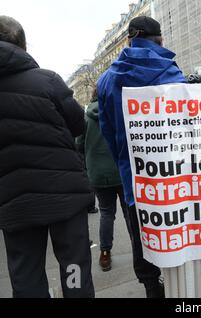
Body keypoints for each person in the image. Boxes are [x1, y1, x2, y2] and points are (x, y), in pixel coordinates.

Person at [0, 16, 95, 298]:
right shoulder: (47, 81)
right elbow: (79, 125)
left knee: (26, 276)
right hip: (64, 194)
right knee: (74, 269)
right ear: (22, 44)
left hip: (13, 200)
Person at [97, 16, 186, 298]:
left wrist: (125, 159)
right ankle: (179, 285)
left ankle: (151, 287)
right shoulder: (173, 72)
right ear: (160, 40)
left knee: (141, 235)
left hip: (134, 176)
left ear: (128, 41)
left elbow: (108, 132)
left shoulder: (107, 80)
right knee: (175, 226)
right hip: (174, 172)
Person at [77, 89, 131, 272]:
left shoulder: (85, 118)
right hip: (121, 170)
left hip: (98, 174)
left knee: (107, 213)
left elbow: (78, 145)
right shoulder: (117, 112)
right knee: (128, 211)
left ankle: (105, 253)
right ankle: (138, 247)